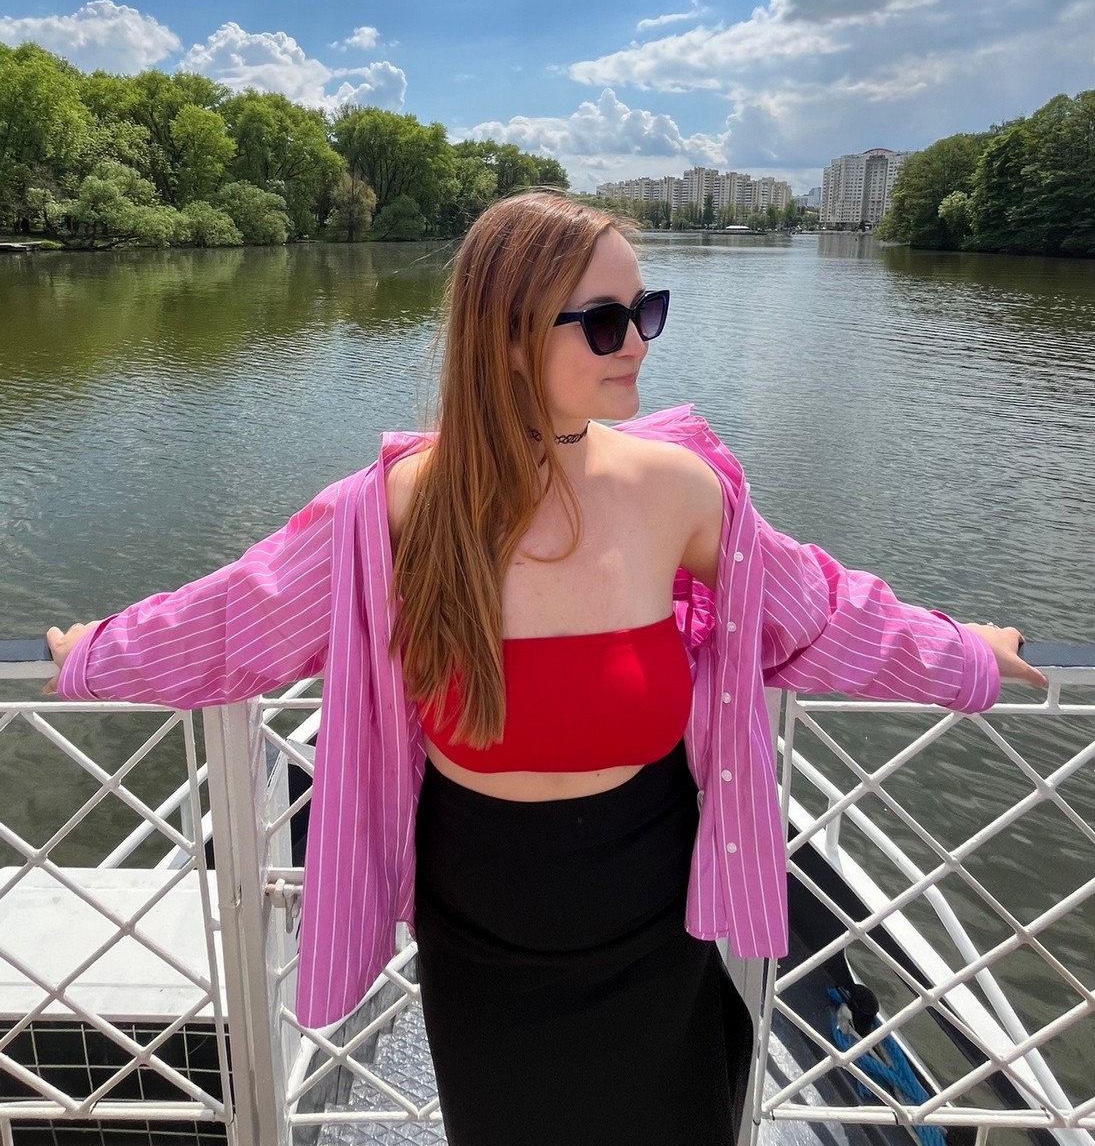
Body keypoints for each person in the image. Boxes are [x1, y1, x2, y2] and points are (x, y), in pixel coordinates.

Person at [45, 191, 1046, 1146]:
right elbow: (236, 619)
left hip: (649, 903)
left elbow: (819, 611)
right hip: (481, 916)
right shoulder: (392, 511)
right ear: (511, 337)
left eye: (647, 311)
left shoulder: (677, 490)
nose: (639, 342)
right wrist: (93, 655)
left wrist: (967, 654)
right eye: (605, 322)